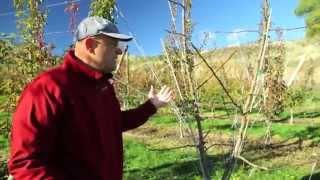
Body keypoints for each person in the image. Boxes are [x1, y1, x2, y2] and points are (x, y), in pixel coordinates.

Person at [8, 16, 173, 180]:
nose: (119, 51)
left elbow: (115, 122)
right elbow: (26, 165)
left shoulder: (103, 86)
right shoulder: (47, 88)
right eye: (113, 45)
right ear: (90, 45)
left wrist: (151, 105)